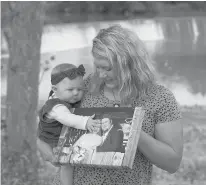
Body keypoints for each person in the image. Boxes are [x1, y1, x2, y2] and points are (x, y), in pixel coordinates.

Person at [37, 24, 183, 185]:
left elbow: (172, 163)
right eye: (97, 66)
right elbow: (47, 121)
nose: (100, 74)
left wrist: (134, 133)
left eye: (107, 68)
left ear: (130, 64)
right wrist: (50, 152)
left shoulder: (160, 98)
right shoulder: (81, 88)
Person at [37, 63, 100, 185]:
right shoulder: (56, 107)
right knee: (66, 164)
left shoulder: (63, 96)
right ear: (55, 89)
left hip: (58, 135)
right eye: (70, 89)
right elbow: (68, 118)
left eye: (80, 89)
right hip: (51, 139)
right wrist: (86, 122)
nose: (76, 93)